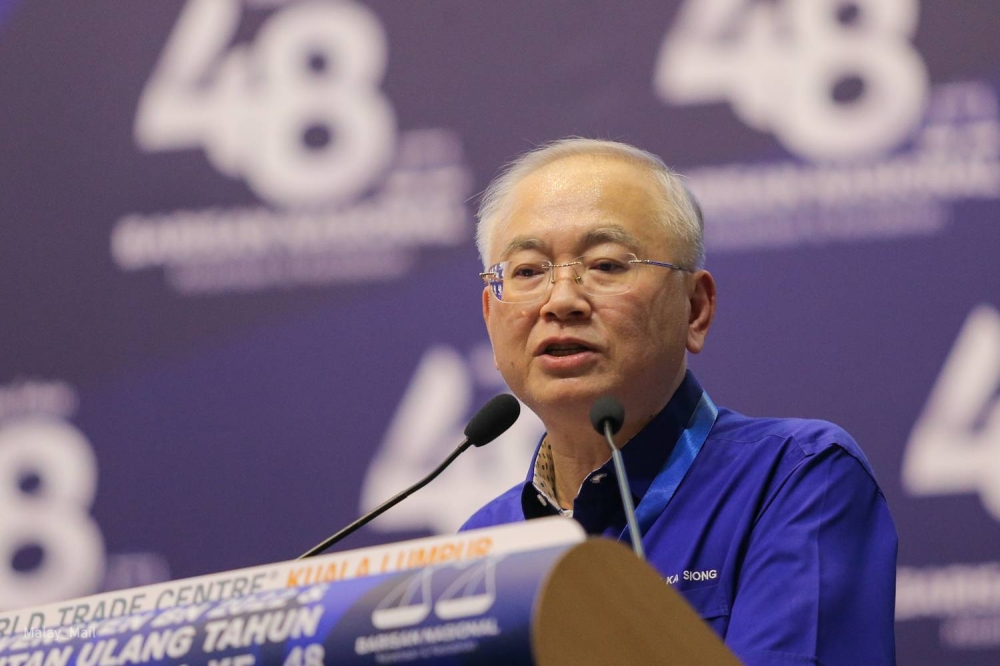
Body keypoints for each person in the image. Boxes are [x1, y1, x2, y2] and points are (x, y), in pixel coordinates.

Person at [461, 138, 897, 665]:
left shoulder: (794, 477)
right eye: (527, 271)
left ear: (695, 309)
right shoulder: (481, 545)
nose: (562, 301)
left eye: (605, 265)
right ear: (490, 316)